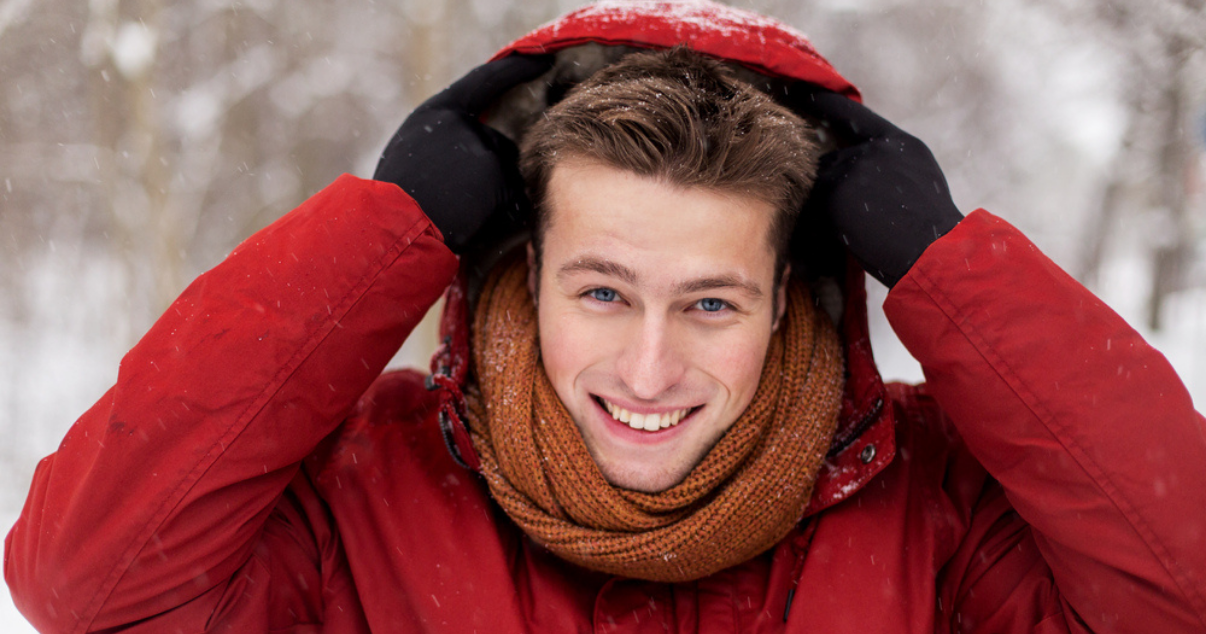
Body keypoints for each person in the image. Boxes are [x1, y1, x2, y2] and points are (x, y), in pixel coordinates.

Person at [6, 2, 1205, 633]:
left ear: (791, 298)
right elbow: (79, 581)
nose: (648, 366)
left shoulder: (934, 508)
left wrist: (949, 267)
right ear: (521, 274)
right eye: (601, 289)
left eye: (712, 302)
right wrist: (383, 229)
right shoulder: (355, 486)